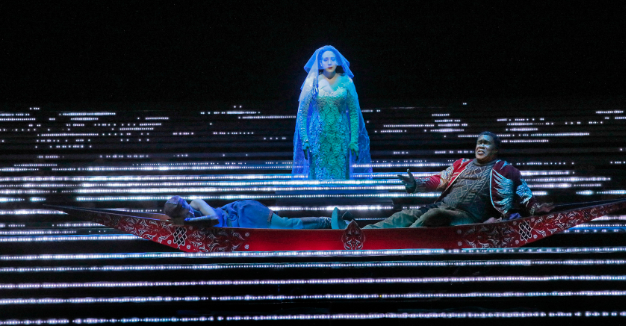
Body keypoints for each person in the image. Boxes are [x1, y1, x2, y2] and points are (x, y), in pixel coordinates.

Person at [361, 131, 554, 229]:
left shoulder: (507, 171)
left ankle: (398, 239)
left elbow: (524, 195)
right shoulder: (462, 164)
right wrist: (417, 184)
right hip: (442, 205)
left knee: (433, 216)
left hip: (468, 217)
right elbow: (439, 180)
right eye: (479, 142)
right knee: (403, 216)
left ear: (495, 150)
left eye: (486, 143)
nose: (480, 146)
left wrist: (537, 209)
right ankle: (364, 232)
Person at [292, 45, 372, 180]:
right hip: (317, 136)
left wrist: (354, 141)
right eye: (326, 59)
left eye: (332, 59)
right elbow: (302, 112)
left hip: (340, 136)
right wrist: (305, 139)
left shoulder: (346, 81)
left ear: (337, 61)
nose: (329, 62)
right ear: (320, 63)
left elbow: (353, 112)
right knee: (318, 174)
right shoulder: (312, 81)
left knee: (340, 174)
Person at [163, 196, 350, 229]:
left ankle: (328, 221)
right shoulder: (184, 219)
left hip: (244, 214)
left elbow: (214, 219)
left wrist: (186, 223)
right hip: (239, 227)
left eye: (185, 212)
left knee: (286, 225)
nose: (187, 215)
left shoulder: (196, 203)